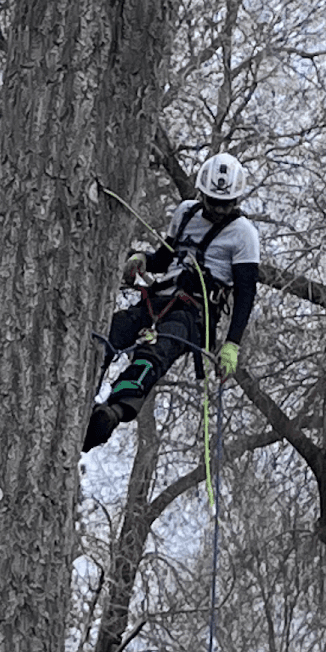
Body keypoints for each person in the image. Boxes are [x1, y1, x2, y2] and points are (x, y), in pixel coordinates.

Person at [83, 153, 260, 452]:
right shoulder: (186, 213)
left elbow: (246, 294)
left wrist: (232, 345)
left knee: (155, 352)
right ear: (202, 193)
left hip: (194, 313)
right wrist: (140, 259)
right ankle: (81, 397)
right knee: (110, 332)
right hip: (158, 297)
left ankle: (112, 413)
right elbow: (163, 259)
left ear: (236, 200)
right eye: (213, 201)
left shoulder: (244, 235)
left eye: (225, 203)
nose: (218, 209)